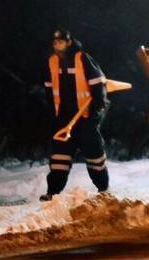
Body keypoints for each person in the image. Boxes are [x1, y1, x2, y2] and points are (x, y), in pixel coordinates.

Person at [41, 29, 109, 201]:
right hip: (63, 118)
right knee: (59, 157)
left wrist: (96, 105)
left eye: (61, 42)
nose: (58, 46)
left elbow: (98, 82)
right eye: (55, 43)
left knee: (94, 154)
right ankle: (52, 192)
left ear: (69, 42)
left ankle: (103, 188)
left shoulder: (82, 58)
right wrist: (52, 112)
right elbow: (49, 89)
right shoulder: (52, 62)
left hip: (86, 115)